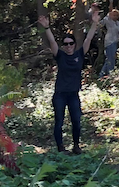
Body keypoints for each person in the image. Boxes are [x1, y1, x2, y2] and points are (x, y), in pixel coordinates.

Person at [38, 9, 100, 154]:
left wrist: (95, 23)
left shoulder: (79, 54)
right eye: (66, 44)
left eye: (71, 43)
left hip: (73, 94)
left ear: (74, 44)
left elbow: (88, 39)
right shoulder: (60, 55)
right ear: (63, 46)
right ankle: (60, 148)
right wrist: (47, 27)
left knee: (76, 121)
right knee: (59, 121)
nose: (69, 46)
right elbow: (52, 42)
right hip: (60, 94)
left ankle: (76, 145)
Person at [98, 9, 119, 77]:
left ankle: (101, 75)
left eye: (116, 15)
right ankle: (110, 75)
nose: (115, 16)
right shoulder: (108, 20)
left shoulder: (118, 23)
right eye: (113, 15)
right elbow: (100, 24)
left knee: (110, 59)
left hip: (115, 41)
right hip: (109, 41)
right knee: (111, 59)